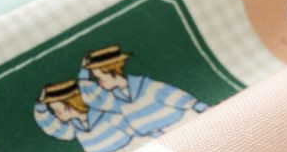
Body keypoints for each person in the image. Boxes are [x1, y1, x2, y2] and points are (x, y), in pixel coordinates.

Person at [78, 45, 207, 138]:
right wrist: (83, 72)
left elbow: (171, 94)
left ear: (113, 71)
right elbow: (90, 98)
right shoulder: (114, 100)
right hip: (161, 136)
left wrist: (197, 105)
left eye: (100, 78)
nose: (99, 83)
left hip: (184, 124)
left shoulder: (144, 85)